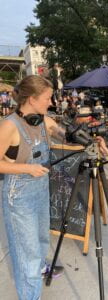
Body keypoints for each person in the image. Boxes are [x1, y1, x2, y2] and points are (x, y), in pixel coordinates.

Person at [0, 75, 65, 300]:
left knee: (40, 238)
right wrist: (26, 169)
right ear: (32, 99)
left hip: (40, 188)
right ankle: (30, 295)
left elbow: (60, 132)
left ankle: (40, 268)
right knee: (26, 253)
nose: (51, 102)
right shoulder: (9, 126)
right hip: (19, 196)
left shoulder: (42, 119)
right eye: (47, 98)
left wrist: (88, 138)